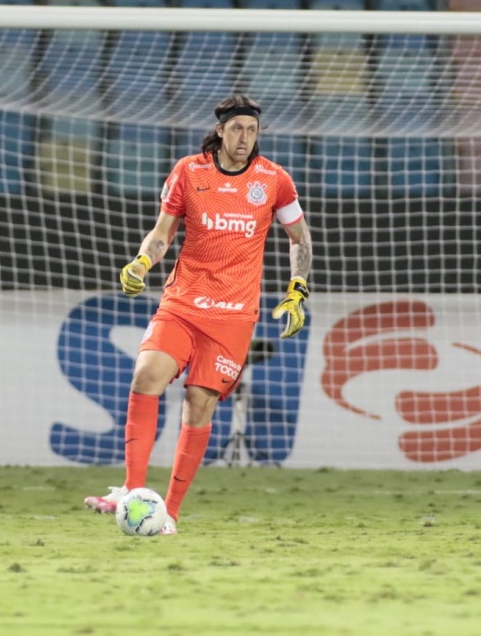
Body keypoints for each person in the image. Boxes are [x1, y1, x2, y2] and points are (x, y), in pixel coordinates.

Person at [84, 94, 312, 535]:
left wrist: (296, 289)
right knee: (146, 374)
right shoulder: (189, 172)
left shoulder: (275, 181)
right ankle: (131, 492)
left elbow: (299, 238)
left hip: (234, 316)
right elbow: (161, 233)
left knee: (198, 404)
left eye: (251, 129)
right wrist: (140, 262)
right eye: (237, 129)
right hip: (184, 303)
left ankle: (168, 512)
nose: (244, 137)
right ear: (221, 131)